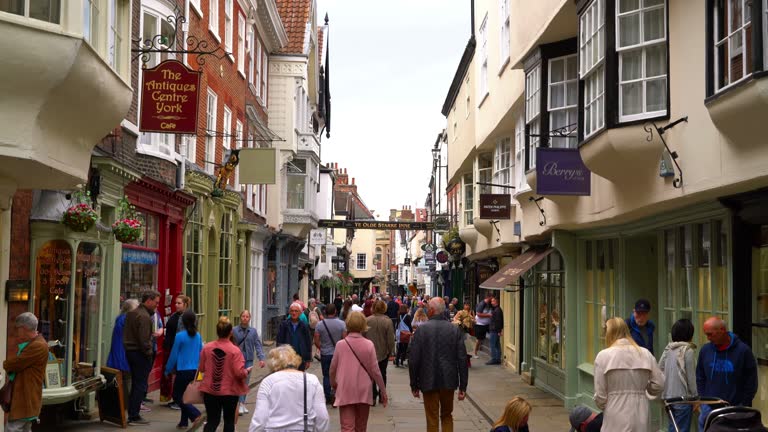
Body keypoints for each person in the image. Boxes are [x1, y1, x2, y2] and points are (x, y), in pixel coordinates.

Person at [593, 317, 664, 432]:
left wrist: (608, 404)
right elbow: (659, 383)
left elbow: (600, 395)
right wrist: (644, 390)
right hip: (640, 411)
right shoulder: (645, 354)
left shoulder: (603, 356)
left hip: (614, 411)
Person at [409, 297, 469, 432]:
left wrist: (414, 384)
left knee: (432, 418)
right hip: (448, 380)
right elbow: (462, 359)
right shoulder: (454, 330)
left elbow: (414, 360)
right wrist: (463, 386)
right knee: (447, 416)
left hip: (428, 379)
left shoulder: (421, 330)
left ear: (431, 310)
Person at [696, 316, 758, 431]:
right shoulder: (705, 350)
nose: (708, 338)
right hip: (708, 407)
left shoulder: (743, 351)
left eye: (710, 334)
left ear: (722, 330)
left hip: (735, 408)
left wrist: (742, 404)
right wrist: (703, 400)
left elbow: (751, 382)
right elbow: (700, 376)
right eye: (706, 335)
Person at [248, 345, 329, 432]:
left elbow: (260, 420)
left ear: (273, 363)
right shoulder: (312, 380)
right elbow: (322, 417)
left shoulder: (268, 382)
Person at [331, 311, 388, 431]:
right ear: (363, 324)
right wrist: (383, 391)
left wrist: (333, 382)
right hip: (363, 389)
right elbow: (376, 371)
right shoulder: (369, 345)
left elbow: (333, 368)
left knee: (347, 427)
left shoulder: (340, 345)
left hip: (345, 387)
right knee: (361, 426)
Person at [199, 317, 252, 432]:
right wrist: (246, 371)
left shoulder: (207, 348)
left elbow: (202, 368)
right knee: (229, 421)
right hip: (229, 391)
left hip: (210, 391)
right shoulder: (235, 351)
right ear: (230, 332)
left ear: (217, 331)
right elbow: (239, 373)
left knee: (212, 421)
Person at [3, 313, 49, 432]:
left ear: (23, 329)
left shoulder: (37, 346)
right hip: (27, 399)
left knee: (12, 429)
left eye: (18, 329)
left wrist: (5, 364)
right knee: (25, 429)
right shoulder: (35, 343)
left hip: (25, 398)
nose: (17, 333)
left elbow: (15, 364)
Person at [123, 290, 161, 425]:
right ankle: (134, 415)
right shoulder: (144, 317)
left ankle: (132, 413)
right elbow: (144, 341)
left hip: (130, 352)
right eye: (156, 303)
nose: (157, 306)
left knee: (136, 384)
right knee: (140, 385)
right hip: (140, 354)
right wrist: (149, 353)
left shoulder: (132, 313)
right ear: (148, 300)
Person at [164, 311, 204, 429]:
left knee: (177, 396)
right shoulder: (198, 336)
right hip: (195, 370)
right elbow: (201, 353)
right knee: (187, 396)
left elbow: (174, 355)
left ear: (183, 322)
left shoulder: (180, 336)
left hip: (183, 370)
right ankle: (183, 422)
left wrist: (167, 370)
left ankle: (195, 414)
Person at [659, 318, 698, 432]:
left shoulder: (668, 349)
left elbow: (659, 368)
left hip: (668, 397)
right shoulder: (688, 351)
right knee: (681, 429)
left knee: (673, 427)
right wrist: (695, 398)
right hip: (683, 398)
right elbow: (691, 377)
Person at [107, 299, 139, 408]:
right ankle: (130, 406)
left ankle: (123, 404)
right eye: (136, 307)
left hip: (118, 352)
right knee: (128, 380)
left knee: (123, 380)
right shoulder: (127, 319)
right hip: (124, 353)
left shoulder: (120, 318)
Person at [233, 309, 266, 415]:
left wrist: (261, 358)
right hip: (237, 360)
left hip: (249, 360)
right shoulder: (234, 330)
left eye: (247, 317)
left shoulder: (253, 331)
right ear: (240, 317)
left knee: (245, 382)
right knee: (237, 381)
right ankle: (237, 404)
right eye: (243, 316)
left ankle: (242, 403)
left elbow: (257, 345)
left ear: (249, 318)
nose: (245, 318)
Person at [162, 294, 191, 409]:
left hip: (178, 350)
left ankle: (180, 400)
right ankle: (176, 399)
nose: (176, 305)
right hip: (169, 347)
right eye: (175, 303)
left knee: (179, 375)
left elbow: (183, 335)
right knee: (174, 375)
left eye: (179, 303)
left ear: (185, 305)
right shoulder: (175, 315)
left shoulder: (186, 317)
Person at [314, 303, 346, 405]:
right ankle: (336, 394)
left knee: (326, 375)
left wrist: (321, 347)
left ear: (325, 312)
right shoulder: (342, 324)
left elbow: (316, 340)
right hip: (338, 354)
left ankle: (327, 396)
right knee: (338, 375)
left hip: (325, 354)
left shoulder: (320, 325)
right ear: (335, 311)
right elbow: (345, 339)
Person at [365, 300, 395, 405]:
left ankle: (372, 397)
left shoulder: (367, 320)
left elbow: (363, 336)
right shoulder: (388, 321)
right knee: (382, 373)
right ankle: (382, 396)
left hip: (369, 352)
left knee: (371, 375)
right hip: (383, 352)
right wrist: (391, 351)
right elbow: (391, 339)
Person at [276, 303, 312, 371]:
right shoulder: (284, 325)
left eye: (296, 311)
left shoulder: (303, 326)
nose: (294, 313)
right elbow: (279, 341)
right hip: (287, 357)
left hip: (300, 357)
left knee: (299, 378)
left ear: (300, 313)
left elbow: (308, 342)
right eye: (292, 311)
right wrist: (279, 356)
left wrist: (308, 359)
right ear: (289, 312)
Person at [474, 293, 493, 358]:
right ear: (488, 297)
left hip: (487, 324)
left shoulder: (490, 304)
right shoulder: (482, 304)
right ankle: (475, 353)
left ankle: (492, 353)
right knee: (479, 339)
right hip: (480, 324)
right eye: (491, 298)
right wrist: (489, 315)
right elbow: (478, 314)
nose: (492, 299)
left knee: (491, 336)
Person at [487, 297, 504, 365]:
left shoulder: (497, 310)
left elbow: (498, 321)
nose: (491, 303)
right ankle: (497, 359)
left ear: (496, 302)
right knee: (497, 345)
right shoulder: (497, 310)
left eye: (492, 301)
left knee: (492, 345)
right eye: (491, 301)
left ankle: (494, 359)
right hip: (495, 330)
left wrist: (499, 331)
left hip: (494, 330)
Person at [395, 304, 413, 368]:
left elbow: (397, 326)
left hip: (400, 333)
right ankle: (402, 362)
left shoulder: (398, 316)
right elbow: (410, 326)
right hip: (406, 334)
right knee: (405, 348)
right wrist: (411, 332)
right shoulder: (408, 317)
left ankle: (397, 361)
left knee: (399, 348)